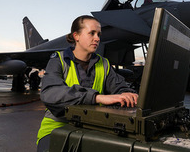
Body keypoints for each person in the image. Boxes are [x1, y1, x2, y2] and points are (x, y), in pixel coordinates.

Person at [36, 15, 138, 151]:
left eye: (98, 34)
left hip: (94, 126)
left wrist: (128, 95)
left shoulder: (104, 64)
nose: (97, 38)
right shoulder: (58, 60)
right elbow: (50, 93)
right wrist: (97, 97)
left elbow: (120, 87)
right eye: (92, 33)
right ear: (76, 36)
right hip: (57, 126)